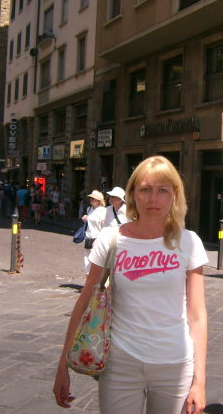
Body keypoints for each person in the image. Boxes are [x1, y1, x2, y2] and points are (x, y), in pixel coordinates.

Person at [54, 156, 208, 414]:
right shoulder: (111, 238)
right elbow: (84, 302)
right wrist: (62, 365)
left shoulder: (189, 242)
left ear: (175, 194)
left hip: (175, 363)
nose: (153, 199)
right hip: (120, 362)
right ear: (133, 194)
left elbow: (197, 315)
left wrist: (199, 381)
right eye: (145, 189)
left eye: (162, 190)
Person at [81, 190, 106, 274]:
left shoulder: (103, 211)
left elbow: (103, 227)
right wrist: (85, 219)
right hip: (88, 237)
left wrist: (101, 240)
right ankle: (88, 280)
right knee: (87, 261)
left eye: (93, 198)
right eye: (91, 198)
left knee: (96, 262)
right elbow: (89, 224)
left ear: (99, 200)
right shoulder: (89, 209)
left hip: (97, 239)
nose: (91, 199)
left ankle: (96, 280)